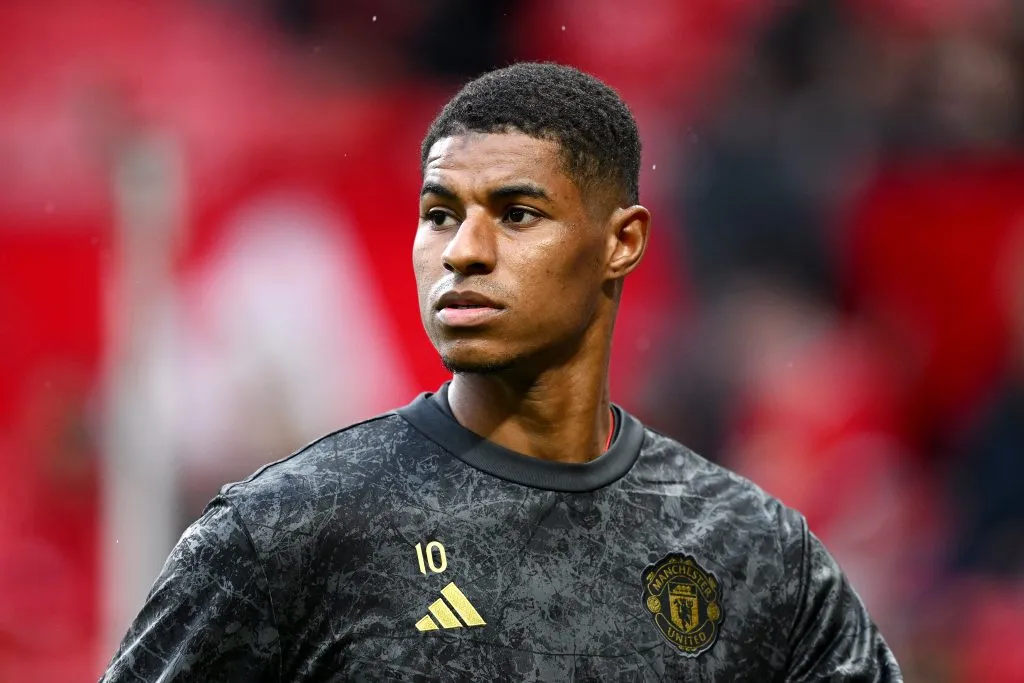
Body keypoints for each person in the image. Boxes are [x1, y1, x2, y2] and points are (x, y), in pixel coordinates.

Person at [100, 62, 902, 682]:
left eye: (518, 214)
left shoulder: (754, 551)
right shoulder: (281, 533)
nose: (464, 251)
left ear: (622, 242)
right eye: (440, 214)